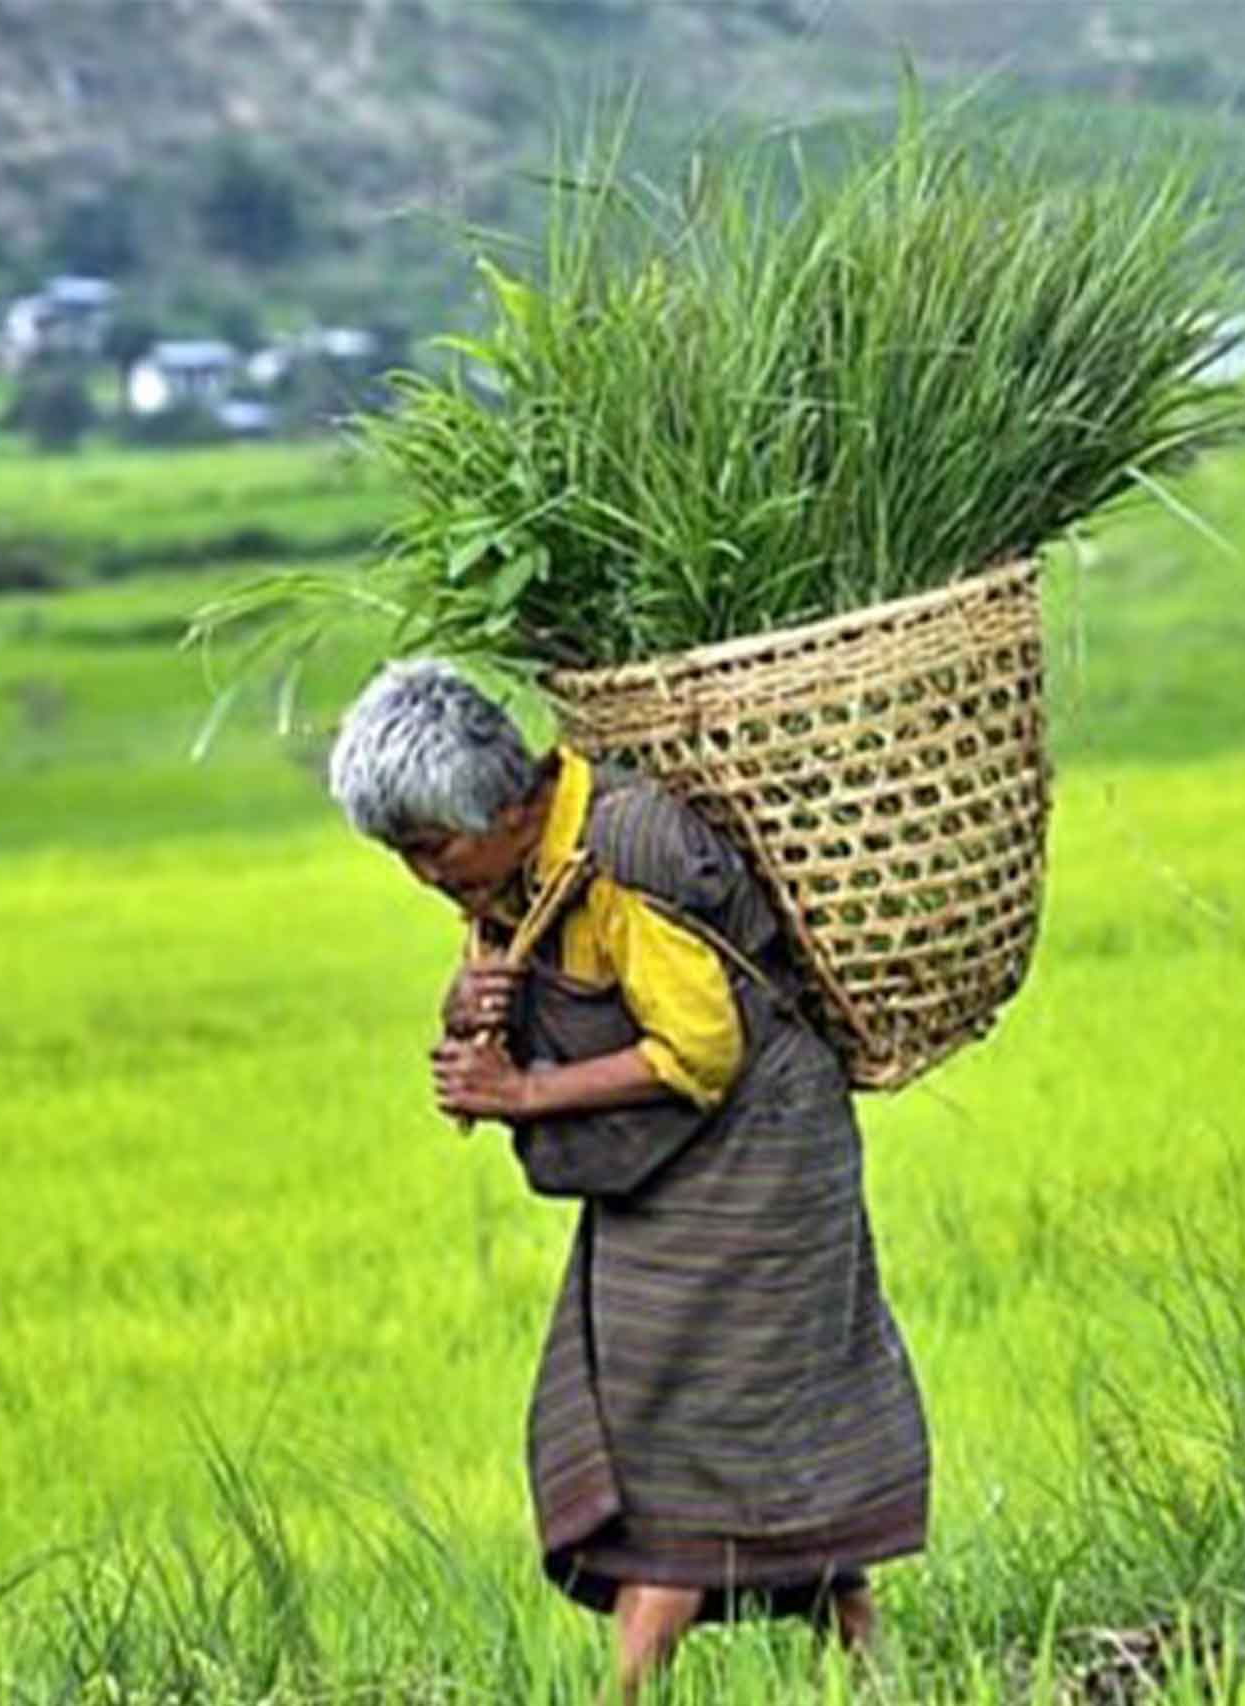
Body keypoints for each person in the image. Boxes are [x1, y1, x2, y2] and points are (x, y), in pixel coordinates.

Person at [326, 659, 932, 1700]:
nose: (422, 875)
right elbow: (535, 991)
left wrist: (523, 1091)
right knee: (718, 1412)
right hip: (662, 1167)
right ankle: (872, 1667)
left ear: (502, 808)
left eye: (430, 848)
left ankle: (628, 1689)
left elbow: (701, 1049)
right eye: (403, 855)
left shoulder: (623, 853)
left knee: (684, 1430)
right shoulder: (517, 873)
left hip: (761, 1157)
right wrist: (465, 1009)